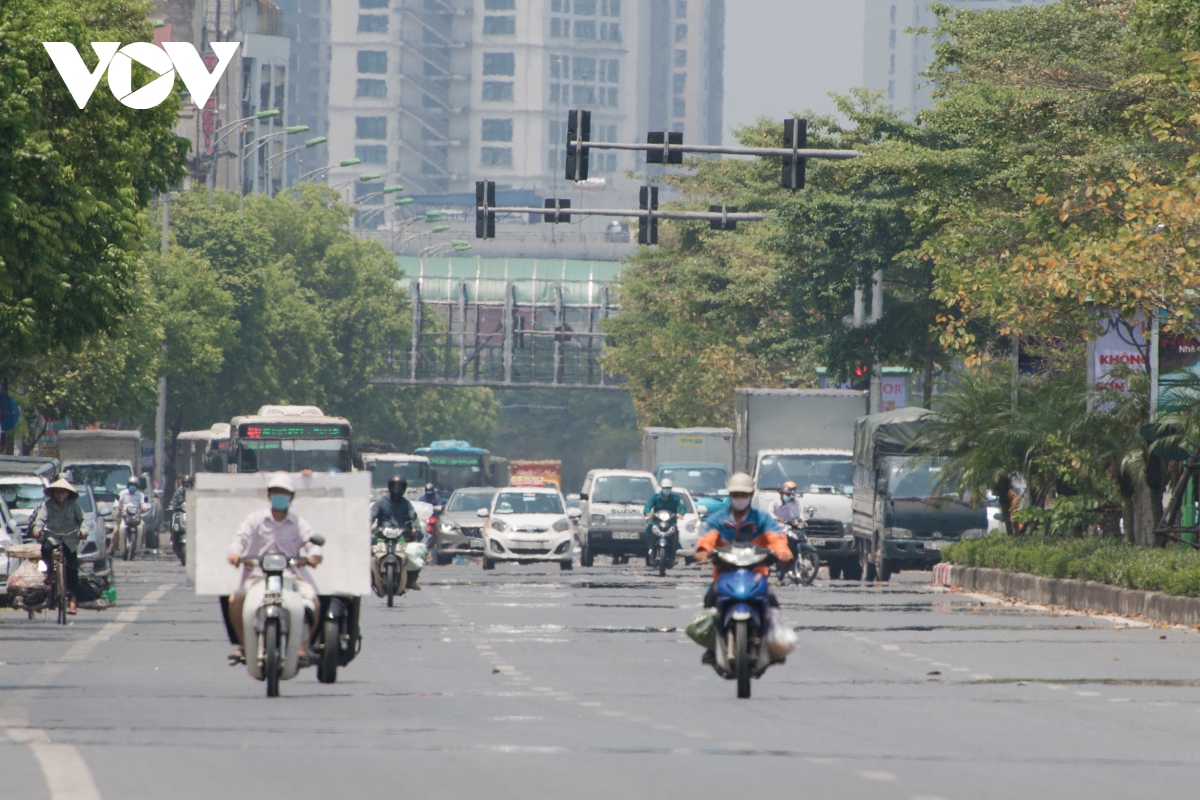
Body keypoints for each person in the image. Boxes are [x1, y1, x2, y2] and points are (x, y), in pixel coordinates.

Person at [226, 473, 323, 665]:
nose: (280, 496)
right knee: (235, 600)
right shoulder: (255, 520)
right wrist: (235, 553)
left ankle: (303, 648)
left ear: (291, 497)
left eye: (284, 493)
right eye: (277, 492)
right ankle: (245, 646)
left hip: (290, 576)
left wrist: (314, 555)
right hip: (258, 575)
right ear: (269, 495)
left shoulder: (298, 523)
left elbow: (311, 541)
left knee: (313, 603)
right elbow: (241, 537)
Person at [695, 471, 792, 606]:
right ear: (730, 495)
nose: (739, 498)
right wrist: (703, 549)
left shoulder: (762, 519)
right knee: (709, 601)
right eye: (736, 495)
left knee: (772, 604)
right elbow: (708, 536)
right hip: (725, 574)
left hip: (757, 574)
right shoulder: (718, 519)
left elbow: (776, 538)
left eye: (743, 495)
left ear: (751, 495)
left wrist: (782, 552)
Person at [29, 478, 86, 615]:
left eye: (63, 491)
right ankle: (52, 572)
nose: (60, 494)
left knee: (72, 568)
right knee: (45, 549)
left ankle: (72, 601)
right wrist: (37, 530)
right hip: (53, 537)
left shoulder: (74, 505)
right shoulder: (47, 505)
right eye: (57, 491)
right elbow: (40, 520)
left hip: (70, 539)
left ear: (67, 493)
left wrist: (83, 531)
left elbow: (83, 520)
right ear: (53, 493)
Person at [371, 476, 422, 589]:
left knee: (416, 553)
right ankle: (368, 578)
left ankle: (411, 581)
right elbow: (371, 516)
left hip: (401, 535)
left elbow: (413, 518)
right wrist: (366, 526)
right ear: (389, 487)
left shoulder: (407, 504)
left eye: (400, 486)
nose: (397, 489)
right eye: (394, 486)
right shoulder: (380, 503)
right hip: (381, 535)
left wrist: (414, 528)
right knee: (366, 552)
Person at [643, 478, 687, 555]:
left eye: (668, 488)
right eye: (665, 488)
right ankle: (650, 547)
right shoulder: (655, 497)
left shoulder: (676, 498)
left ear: (671, 489)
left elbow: (682, 507)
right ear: (662, 488)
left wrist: (681, 514)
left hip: (670, 522)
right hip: (657, 521)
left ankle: (674, 550)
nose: (667, 490)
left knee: (676, 530)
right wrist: (647, 512)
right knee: (649, 528)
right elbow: (648, 506)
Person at [113, 476, 150, 556]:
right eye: (131, 485)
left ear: (137, 486)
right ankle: (114, 547)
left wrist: (144, 509)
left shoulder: (140, 495)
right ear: (128, 485)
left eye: (134, 485)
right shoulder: (122, 493)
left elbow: (144, 505)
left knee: (142, 526)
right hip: (124, 516)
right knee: (118, 529)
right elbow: (117, 502)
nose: (132, 486)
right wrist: (119, 507)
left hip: (136, 516)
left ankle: (141, 544)